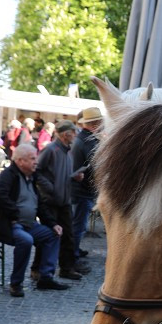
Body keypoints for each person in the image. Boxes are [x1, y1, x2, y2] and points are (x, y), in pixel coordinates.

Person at [0, 143, 69, 296]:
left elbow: (40, 205)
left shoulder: (31, 176)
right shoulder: (8, 175)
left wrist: (53, 223)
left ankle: (46, 277)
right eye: (32, 158)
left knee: (53, 234)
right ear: (20, 161)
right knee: (26, 240)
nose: (36, 161)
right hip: (9, 224)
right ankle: (16, 283)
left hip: (28, 224)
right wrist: (15, 214)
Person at [35, 120, 85, 279]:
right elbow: (37, 171)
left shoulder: (68, 151)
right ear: (66, 134)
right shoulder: (50, 149)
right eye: (74, 132)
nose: (76, 135)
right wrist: (50, 187)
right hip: (50, 201)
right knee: (48, 235)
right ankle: (37, 269)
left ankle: (66, 268)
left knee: (68, 235)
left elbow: (63, 175)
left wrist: (75, 177)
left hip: (64, 200)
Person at [70, 106, 103, 264]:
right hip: (82, 189)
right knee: (79, 226)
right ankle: (73, 255)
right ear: (95, 123)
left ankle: (75, 250)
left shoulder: (84, 138)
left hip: (81, 188)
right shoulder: (88, 140)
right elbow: (96, 164)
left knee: (78, 223)